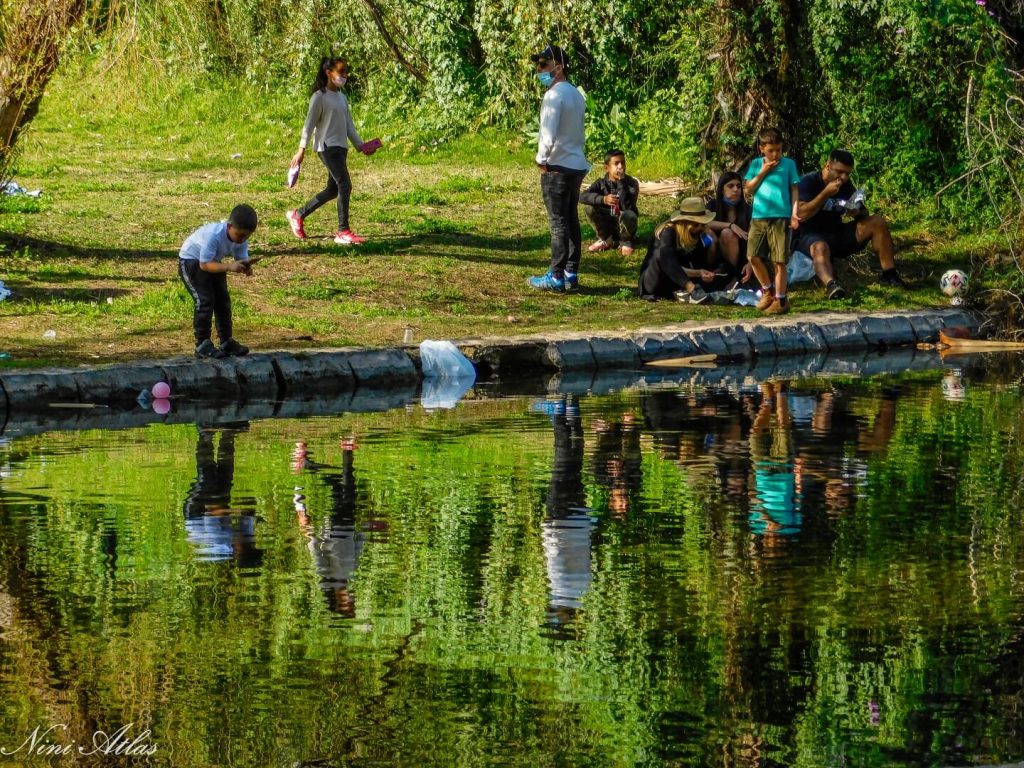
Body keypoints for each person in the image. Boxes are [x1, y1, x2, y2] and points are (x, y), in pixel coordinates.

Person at [286, 56, 378, 246]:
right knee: (345, 185)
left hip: (341, 148)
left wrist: (361, 146)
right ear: (329, 72)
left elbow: (349, 126)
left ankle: (298, 214)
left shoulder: (342, 98)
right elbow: (308, 125)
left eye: (346, 72)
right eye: (341, 71)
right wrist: (300, 149)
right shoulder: (319, 97)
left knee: (333, 189)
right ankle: (343, 231)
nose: (345, 75)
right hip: (326, 147)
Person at [794, 149, 907, 298]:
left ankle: (889, 273)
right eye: (840, 172)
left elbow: (864, 214)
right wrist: (825, 194)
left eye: (847, 174)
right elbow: (801, 214)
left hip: (836, 233)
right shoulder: (809, 181)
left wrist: (857, 212)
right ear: (828, 166)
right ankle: (831, 285)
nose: (843, 177)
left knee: (877, 221)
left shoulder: (845, 185)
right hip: (810, 235)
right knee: (820, 247)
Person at [527, 45, 590, 293]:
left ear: (559, 67)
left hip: (557, 166)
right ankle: (570, 273)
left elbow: (548, 133)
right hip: (576, 164)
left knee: (558, 223)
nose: (539, 70)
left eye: (544, 65)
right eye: (538, 66)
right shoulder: (576, 94)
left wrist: (541, 160)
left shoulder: (553, 96)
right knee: (571, 219)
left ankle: (555, 276)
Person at [178, 204, 256, 359]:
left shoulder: (241, 240)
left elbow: (240, 258)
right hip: (192, 262)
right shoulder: (214, 235)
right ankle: (202, 343)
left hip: (214, 262)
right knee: (205, 301)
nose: (241, 240)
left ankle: (226, 340)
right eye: (239, 235)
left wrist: (246, 267)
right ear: (229, 226)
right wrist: (228, 266)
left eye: (246, 237)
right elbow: (204, 265)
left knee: (223, 301)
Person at [183, 424, 263, 567]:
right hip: (218, 514)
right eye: (252, 545)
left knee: (207, 479)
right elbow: (249, 507)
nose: (249, 543)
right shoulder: (247, 538)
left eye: (246, 547)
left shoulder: (219, 540)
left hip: (196, 514)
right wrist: (250, 513)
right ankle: (228, 435)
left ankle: (205, 435)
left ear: (236, 552)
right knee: (225, 479)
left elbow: (211, 509)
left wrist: (238, 512)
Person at [743, 127, 801, 315]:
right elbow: (748, 189)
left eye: (778, 149)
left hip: (780, 218)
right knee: (753, 256)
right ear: (762, 149)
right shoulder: (755, 165)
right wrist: (762, 172)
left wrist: (794, 214)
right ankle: (767, 290)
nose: (775, 154)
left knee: (779, 260)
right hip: (759, 217)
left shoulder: (789, 165)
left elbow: (794, 190)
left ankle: (781, 299)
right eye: (771, 150)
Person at [637, 197, 722, 303]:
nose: (701, 228)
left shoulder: (698, 236)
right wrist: (696, 274)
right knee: (662, 253)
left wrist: (704, 273)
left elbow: (697, 262)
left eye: (703, 224)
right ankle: (691, 289)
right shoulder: (668, 232)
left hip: (676, 282)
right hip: (655, 281)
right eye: (696, 225)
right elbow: (667, 264)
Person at [580, 149, 640, 257]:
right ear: (606, 168)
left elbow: (627, 206)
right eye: (616, 163)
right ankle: (606, 239)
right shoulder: (601, 183)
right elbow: (582, 196)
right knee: (589, 208)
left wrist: (621, 183)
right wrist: (603, 199)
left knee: (629, 214)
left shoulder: (632, 183)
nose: (620, 166)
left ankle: (626, 241)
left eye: (622, 162)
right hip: (607, 222)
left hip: (624, 223)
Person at [706, 171, 755, 286]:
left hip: (741, 257)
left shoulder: (747, 210)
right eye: (730, 186)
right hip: (715, 255)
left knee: (727, 234)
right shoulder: (712, 205)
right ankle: (708, 272)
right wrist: (730, 225)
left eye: (738, 186)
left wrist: (751, 262)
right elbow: (704, 223)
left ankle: (733, 277)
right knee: (711, 233)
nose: (735, 189)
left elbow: (756, 237)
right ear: (722, 190)